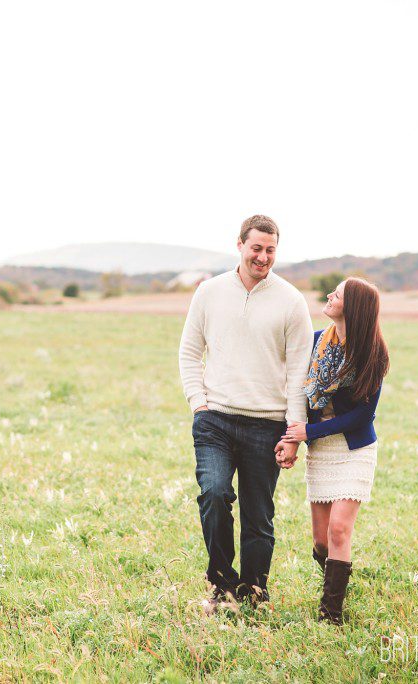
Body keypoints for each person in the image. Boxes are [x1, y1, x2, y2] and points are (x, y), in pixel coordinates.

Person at [179, 215, 313, 613]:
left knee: (259, 516)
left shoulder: (291, 301)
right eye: (257, 248)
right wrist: (198, 405)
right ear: (239, 244)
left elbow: (298, 371)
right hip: (215, 418)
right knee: (215, 493)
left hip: (267, 423)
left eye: (271, 250)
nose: (263, 257)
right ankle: (221, 587)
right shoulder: (209, 292)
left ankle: (254, 594)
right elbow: (189, 352)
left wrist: (292, 432)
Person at [279, 277, 389, 625]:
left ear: (352, 307)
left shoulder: (373, 353)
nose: (329, 296)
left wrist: (309, 430)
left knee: (339, 530)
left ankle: (331, 615)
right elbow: (298, 395)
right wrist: (296, 438)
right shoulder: (315, 344)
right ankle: (335, 577)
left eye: (337, 294)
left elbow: (362, 415)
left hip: (355, 450)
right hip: (321, 450)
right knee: (321, 541)